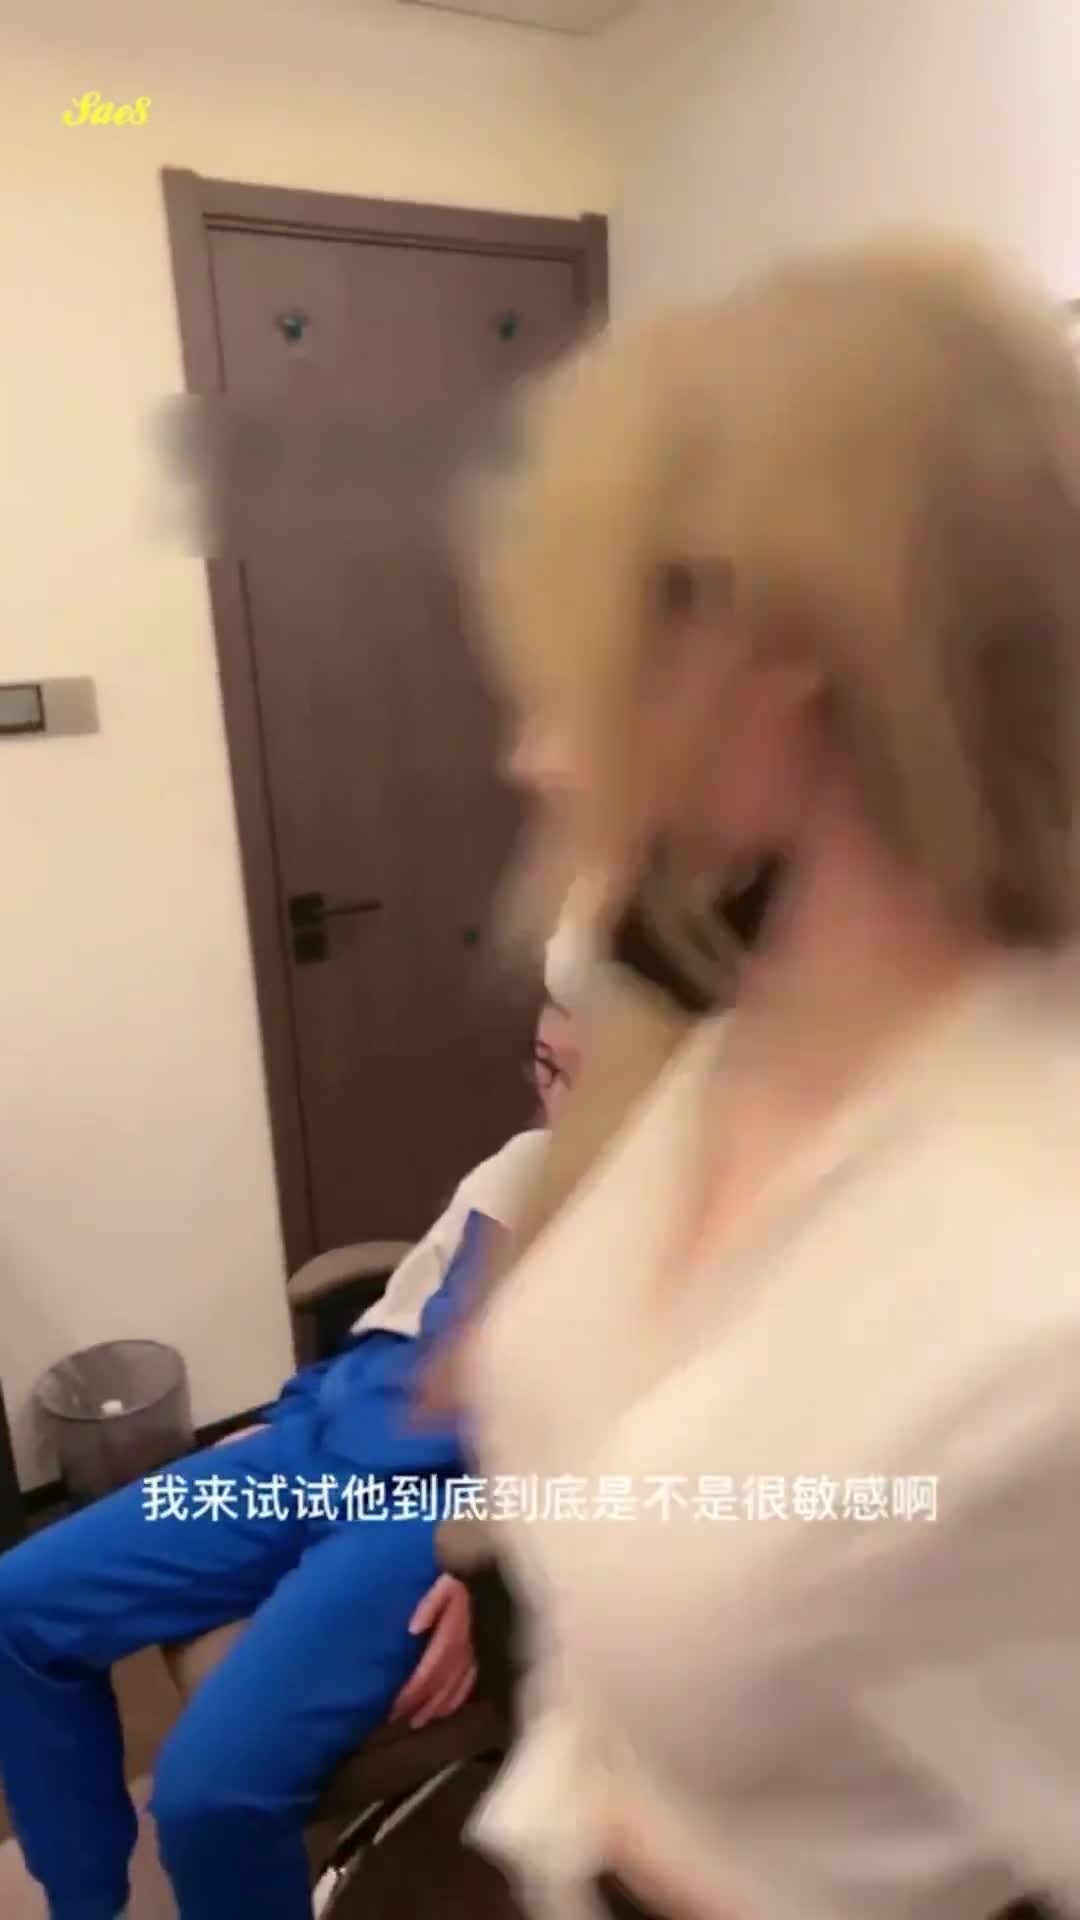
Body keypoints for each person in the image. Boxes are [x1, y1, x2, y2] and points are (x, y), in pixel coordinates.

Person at [457, 238, 1080, 1920]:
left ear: (782, 638)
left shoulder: (1037, 1256)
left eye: (580, 653)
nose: (532, 746)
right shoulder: (697, 1038)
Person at [0, 992, 576, 1920]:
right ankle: (85, 1900)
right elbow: (398, 1324)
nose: (562, 1106)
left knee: (208, 1798)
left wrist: (500, 1558)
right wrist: (287, 1419)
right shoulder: (516, 1170)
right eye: (547, 1068)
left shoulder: (696, 1229)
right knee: (17, 1606)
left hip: (435, 1515)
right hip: (316, 1450)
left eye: (597, 1074)